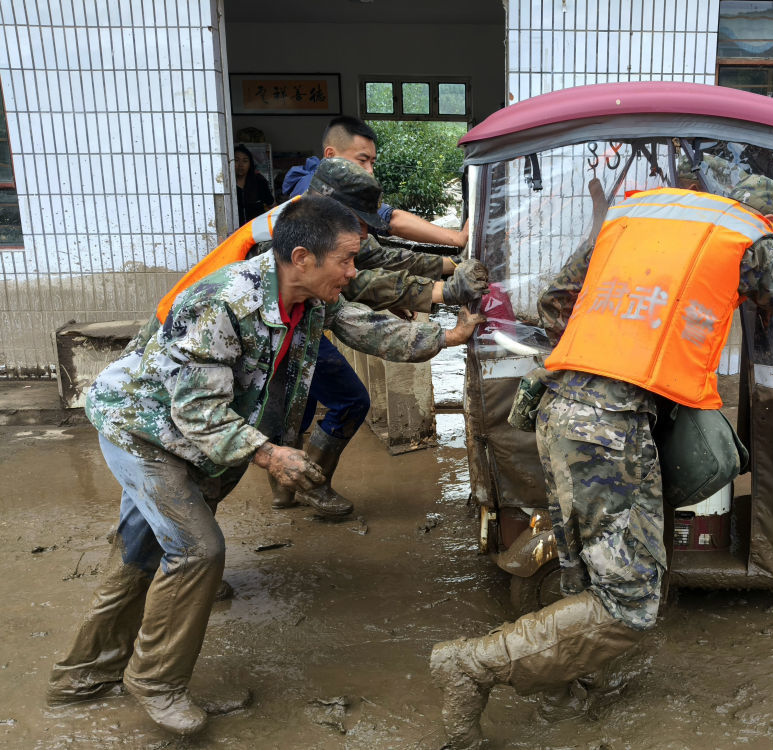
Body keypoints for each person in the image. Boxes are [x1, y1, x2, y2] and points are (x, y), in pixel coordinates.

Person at [428, 185, 773, 748]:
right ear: (770, 217)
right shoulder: (745, 236)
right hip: (608, 426)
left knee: (584, 573)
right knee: (629, 608)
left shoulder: (636, 216)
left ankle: (558, 693)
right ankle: (472, 665)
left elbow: (555, 300)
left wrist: (607, 352)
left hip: (560, 407)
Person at [47, 194, 485, 736]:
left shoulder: (309, 299)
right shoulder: (220, 302)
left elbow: (368, 328)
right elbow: (197, 412)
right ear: (302, 257)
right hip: (145, 432)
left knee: (141, 550)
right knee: (197, 549)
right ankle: (156, 681)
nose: (353, 273)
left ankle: (82, 675)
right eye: (347, 260)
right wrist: (270, 453)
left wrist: (448, 335)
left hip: (196, 437)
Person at [157, 157, 489, 519]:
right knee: (258, 425)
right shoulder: (293, 240)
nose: (361, 241)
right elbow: (363, 281)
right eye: (365, 159)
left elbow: (374, 285)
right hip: (213, 340)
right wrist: (443, 292)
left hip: (284, 326)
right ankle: (298, 483)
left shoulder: (330, 238)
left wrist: (448, 307)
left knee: (297, 410)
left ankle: (294, 484)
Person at [283, 115, 470, 249]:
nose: (369, 171)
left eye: (372, 162)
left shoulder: (313, 183)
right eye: (362, 160)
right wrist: (458, 238)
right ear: (331, 155)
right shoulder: (318, 192)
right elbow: (392, 219)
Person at [233, 144, 274, 225]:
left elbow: (272, 205)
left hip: (256, 231)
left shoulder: (259, 182)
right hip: (235, 233)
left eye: (245, 161)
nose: (240, 165)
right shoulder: (227, 185)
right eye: (236, 160)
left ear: (250, 164)